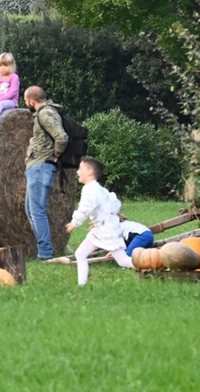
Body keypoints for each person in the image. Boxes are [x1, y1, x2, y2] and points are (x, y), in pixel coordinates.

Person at [65, 157, 135, 285]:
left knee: (123, 261)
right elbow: (110, 206)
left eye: (80, 169)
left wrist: (75, 222)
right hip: (100, 229)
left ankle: (152, 267)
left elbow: (85, 208)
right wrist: (99, 220)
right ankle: (81, 284)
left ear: (90, 172)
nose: (77, 172)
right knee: (80, 254)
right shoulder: (98, 188)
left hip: (107, 230)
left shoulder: (90, 190)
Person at [23, 86, 68, 260]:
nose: (25, 104)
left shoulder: (45, 113)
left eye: (26, 101)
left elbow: (62, 137)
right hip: (37, 166)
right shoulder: (44, 112)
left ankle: (45, 253)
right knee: (30, 209)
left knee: (37, 210)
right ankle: (44, 249)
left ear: (31, 101)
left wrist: (55, 155)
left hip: (41, 166)